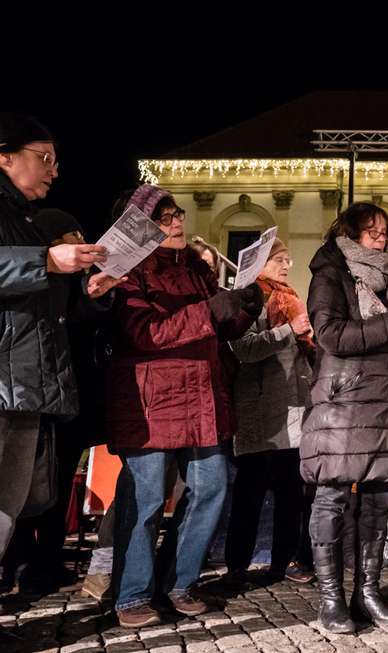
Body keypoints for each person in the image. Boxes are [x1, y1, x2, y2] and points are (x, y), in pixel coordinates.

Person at [107, 185, 262, 628]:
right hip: (150, 399)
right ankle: (132, 592)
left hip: (202, 396)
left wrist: (245, 306)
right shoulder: (127, 271)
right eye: (164, 217)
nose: (177, 222)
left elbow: (222, 327)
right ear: (139, 225)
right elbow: (146, 334)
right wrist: (211, 312)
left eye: (177, 214)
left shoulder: (196, 267)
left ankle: (179, 582)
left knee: (211, 489)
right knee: (148, 498)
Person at [301, 202, 388, 633]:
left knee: (378, 498)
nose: (381, 237)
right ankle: (331, 598)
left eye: (385, 231)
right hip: (344, 401)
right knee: (332, 496)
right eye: (372, 230)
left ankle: (368, 591)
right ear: (350, 233)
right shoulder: (330, 275)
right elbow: (331, 336)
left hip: (386, 399)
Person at [0, 113, 122, 560]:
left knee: (11, 508)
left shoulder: (27, 219)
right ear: (5, 156)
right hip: (4, 381)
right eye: (44, 158)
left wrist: (91, 294)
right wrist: (46, 262)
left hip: (27, 385)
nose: (54, 170)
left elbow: (52, 313)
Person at [225, 239, 316, 586]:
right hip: (259, 409)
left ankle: (287, 561)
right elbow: (242, 348)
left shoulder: (290, 298)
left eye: (287, 258)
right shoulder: (249, 298)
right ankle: (237, 565)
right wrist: (288, 332)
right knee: (250, 492)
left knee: (291, 491)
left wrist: (308, 341)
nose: (286, 264)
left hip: (293, 407)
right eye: (278, 259)